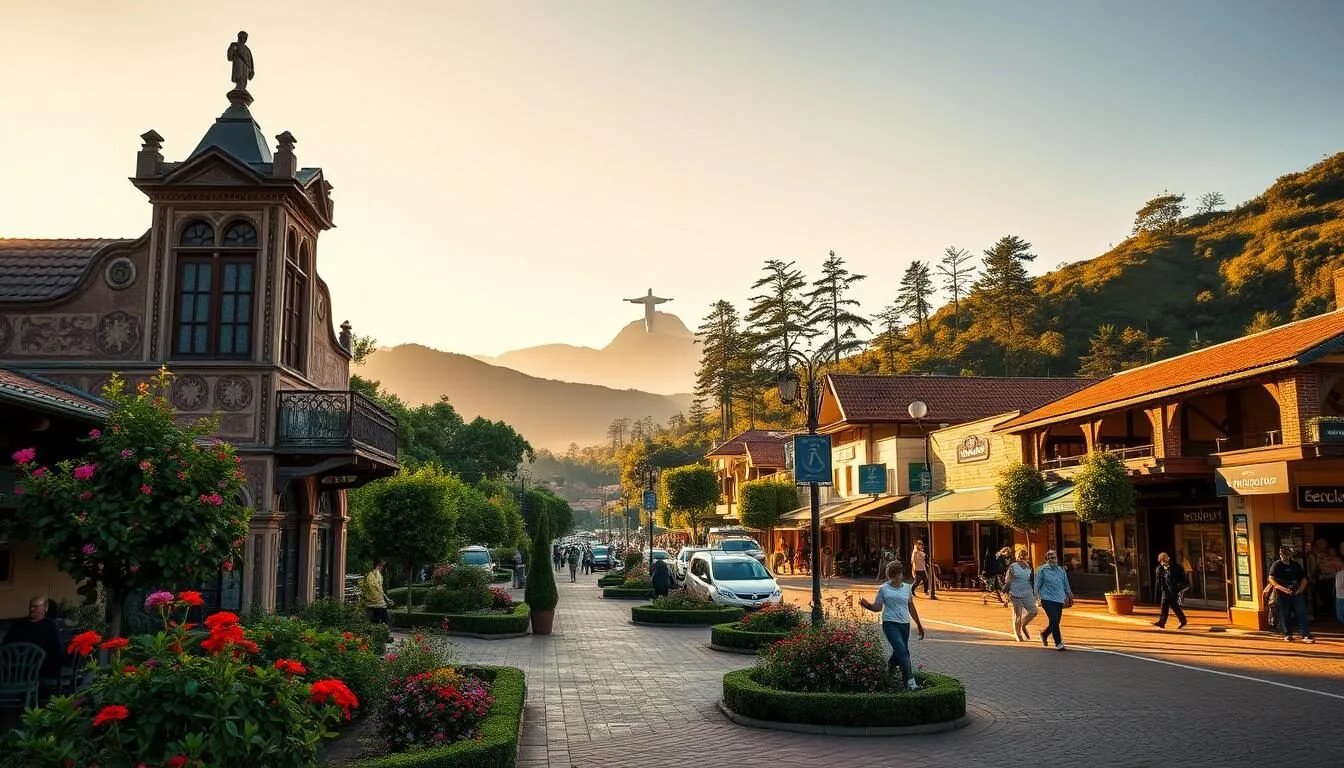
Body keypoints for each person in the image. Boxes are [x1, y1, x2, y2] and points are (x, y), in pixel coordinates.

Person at [859, 561, 924, 691]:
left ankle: (889, 672)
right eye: (892, 576)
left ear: (900, 575)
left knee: (899, 652)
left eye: (897, 575)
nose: (895, 579)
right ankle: (910, 683)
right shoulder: (884, 589)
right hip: (890, 624)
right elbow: (878, 607)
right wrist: (867, 605)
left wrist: (919, 625)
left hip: (904, 624)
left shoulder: (906, 588)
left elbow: (911, 607)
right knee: (903, 652)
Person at [1, 595, 69, 688]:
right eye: (31, 606)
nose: (33, 609)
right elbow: (6, 645)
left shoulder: (50, 626)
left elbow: (56, 649)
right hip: (18, 666)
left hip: (41, 667)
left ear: (45, 609)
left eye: (36, 607)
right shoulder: (19, 625)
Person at [1265, 545, 1314, 643]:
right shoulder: (1277, 564)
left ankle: (1305, 634)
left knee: (1301, 612)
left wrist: (1301, 589)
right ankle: (1287, 634)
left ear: (1290, 554)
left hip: (1296, 590)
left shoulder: (1295, 565)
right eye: (1281, 553)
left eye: (1285, 553)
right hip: (1282, 592)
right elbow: (1271, 578)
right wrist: (1281, 588)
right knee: (1284, 613)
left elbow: (1304, 577)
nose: (1283, 555)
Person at [1033, 549, 1073, 651]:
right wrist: (1036, 597)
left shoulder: (1061, 570)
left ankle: (1044, 634)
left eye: (1054, 557)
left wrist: (1069, 593)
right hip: (1047, 598)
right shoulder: (1042, 570)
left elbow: (1065, 582)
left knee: (1055, 621)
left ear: (1057, 559)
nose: (1052, 559)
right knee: (1054, 619)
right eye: (1050, 558)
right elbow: (1037, 584)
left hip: (1059, 598)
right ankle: (1058, 642)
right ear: (1046, 559)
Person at [1005, 548, 1038, 641]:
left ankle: (1023, 625)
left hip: (1027, 593)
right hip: (1016, 594)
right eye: (1021, 554)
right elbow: (1008, 581)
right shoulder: (1013, 566)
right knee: (1018, 615)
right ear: (1017, 556)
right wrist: (1006, 592)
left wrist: (1035, 593)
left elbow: (1032, 580)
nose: (1023, 556)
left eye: (1025, 554)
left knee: (1033, 611)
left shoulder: (1028, 567)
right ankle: (1018, 634)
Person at [1153, 552, 1188, 630]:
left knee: (1171, 605)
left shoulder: (1174, 567)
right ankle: (1180, 620)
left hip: (1173, 589)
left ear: (1167, 559)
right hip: (1165, 590)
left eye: (1165, 559)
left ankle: (1164, 622)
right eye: (1162, 560)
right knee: (1167, 605)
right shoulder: (1160, 568)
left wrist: (1180, 587)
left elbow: (1181, 577)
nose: (1163, 561)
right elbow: (1159, 581)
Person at [362, 560, 388, 625]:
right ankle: (382, 627)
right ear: (379, 565)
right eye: (382, 566)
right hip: (377, 600)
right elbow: (378, 588)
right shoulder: (376, 575)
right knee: (380, 616)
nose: (383, 568)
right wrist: (384, 598)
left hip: (374, 600)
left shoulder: (371, 574)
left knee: (380, 615)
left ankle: (381, 627)